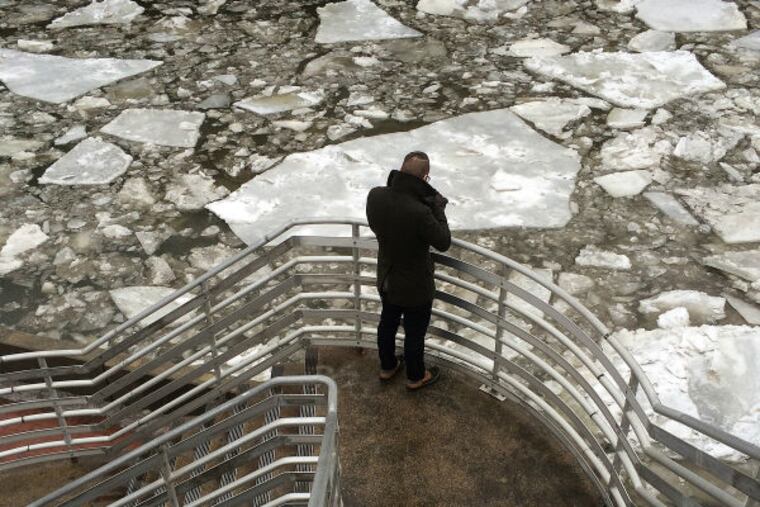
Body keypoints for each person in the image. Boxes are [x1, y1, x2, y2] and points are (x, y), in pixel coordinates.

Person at [365, 151, 451, 390]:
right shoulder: (420, 212)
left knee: (387, 323)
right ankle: (415, 376)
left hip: (387, 278)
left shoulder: (376, 196)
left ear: (401, 169)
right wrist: (438, 208)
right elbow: (443, 242)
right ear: (425, 177)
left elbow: (377, 224)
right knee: (414, 333)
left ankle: (388, 366)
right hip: (415, 286)